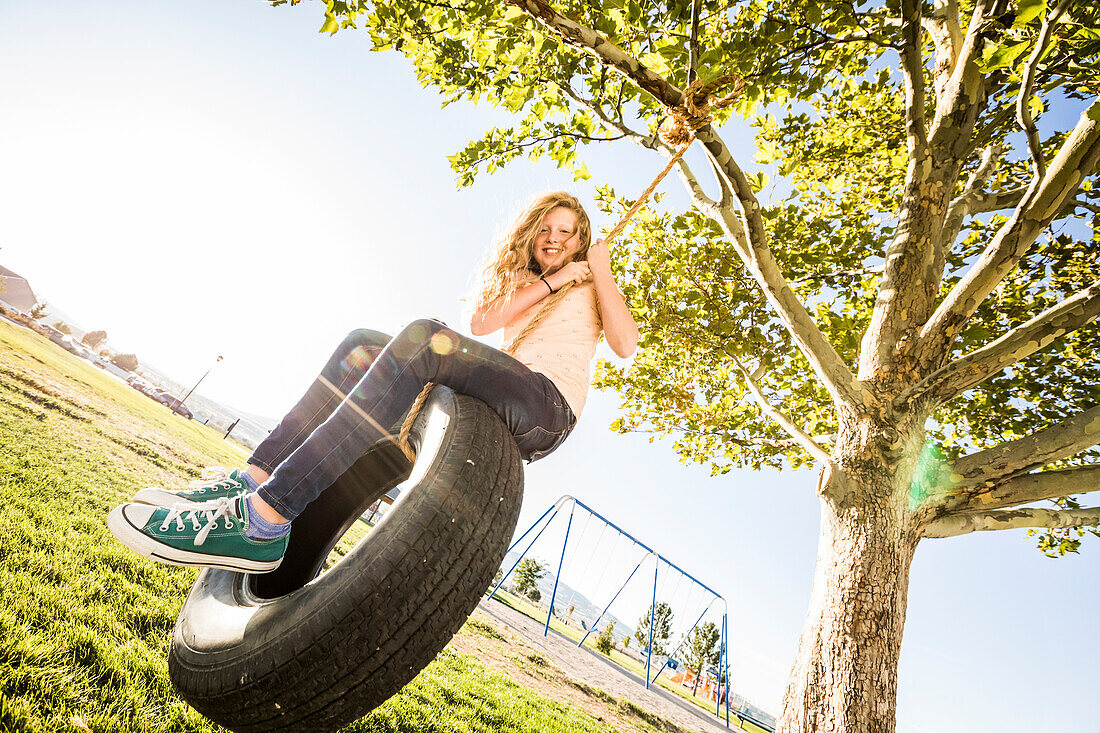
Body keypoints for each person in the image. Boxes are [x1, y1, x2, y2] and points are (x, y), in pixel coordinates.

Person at [107, 192, 639, 573]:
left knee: (427, 336)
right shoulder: (530, 283)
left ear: (581, 240)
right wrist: (552, 280)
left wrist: (598, 271)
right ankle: (252, 475)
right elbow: (482, 324)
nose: (553, 238)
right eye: (545, 229)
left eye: (566, 231)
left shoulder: (592, 281)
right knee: (362, 341)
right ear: (532, 234)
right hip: (509, 389)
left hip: (547, 405)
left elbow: (624, 344)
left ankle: (263, 522)